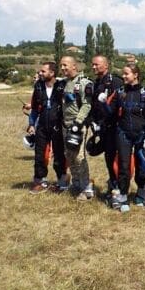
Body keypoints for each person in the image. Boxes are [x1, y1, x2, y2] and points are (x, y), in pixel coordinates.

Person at [109, 63, 145, 212]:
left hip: (141, 134)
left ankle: (141, 193)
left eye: (127, 74)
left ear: (136, 75)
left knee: (142, 165)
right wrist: (103, 103)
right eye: (123, 74)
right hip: (123, 134)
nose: (124, 76)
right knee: (124, 166)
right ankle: (123, 196)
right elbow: (110, 112)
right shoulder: (119, 91)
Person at [27, 62, 67, 192]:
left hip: (58, 126)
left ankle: (62, 181)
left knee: (59, 155)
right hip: (42, 126)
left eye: (43, 71)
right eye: (40, 71)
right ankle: (40, 181)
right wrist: (32, 124)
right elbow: (34, 108)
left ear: (52, 73)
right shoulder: (38, 86)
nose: (40, 73)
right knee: (39, 155)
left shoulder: (62, 86)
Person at [59, 55, 95, 200]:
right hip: (65, 125)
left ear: (74, 66)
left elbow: (87, 105)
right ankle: (76, 183)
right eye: (61, 66)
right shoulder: (64, 83)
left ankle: (86, 188)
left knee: (79, 157)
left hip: (77, 126)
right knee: (70, 156)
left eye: (65, 65)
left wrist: (78, 122)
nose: (62, 68)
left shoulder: (84, 83)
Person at [90, 54, 124, 202]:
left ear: (106, 65)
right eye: (93, 64)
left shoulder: (116, 82)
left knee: (115, 159)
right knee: (108, 158)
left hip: (114, 127)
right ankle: (112, 184)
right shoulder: (96, 83)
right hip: (102, 127)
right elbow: (94, 106)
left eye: (96, 64)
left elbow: (120, 106)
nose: (93, 67)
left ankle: (118, 188)